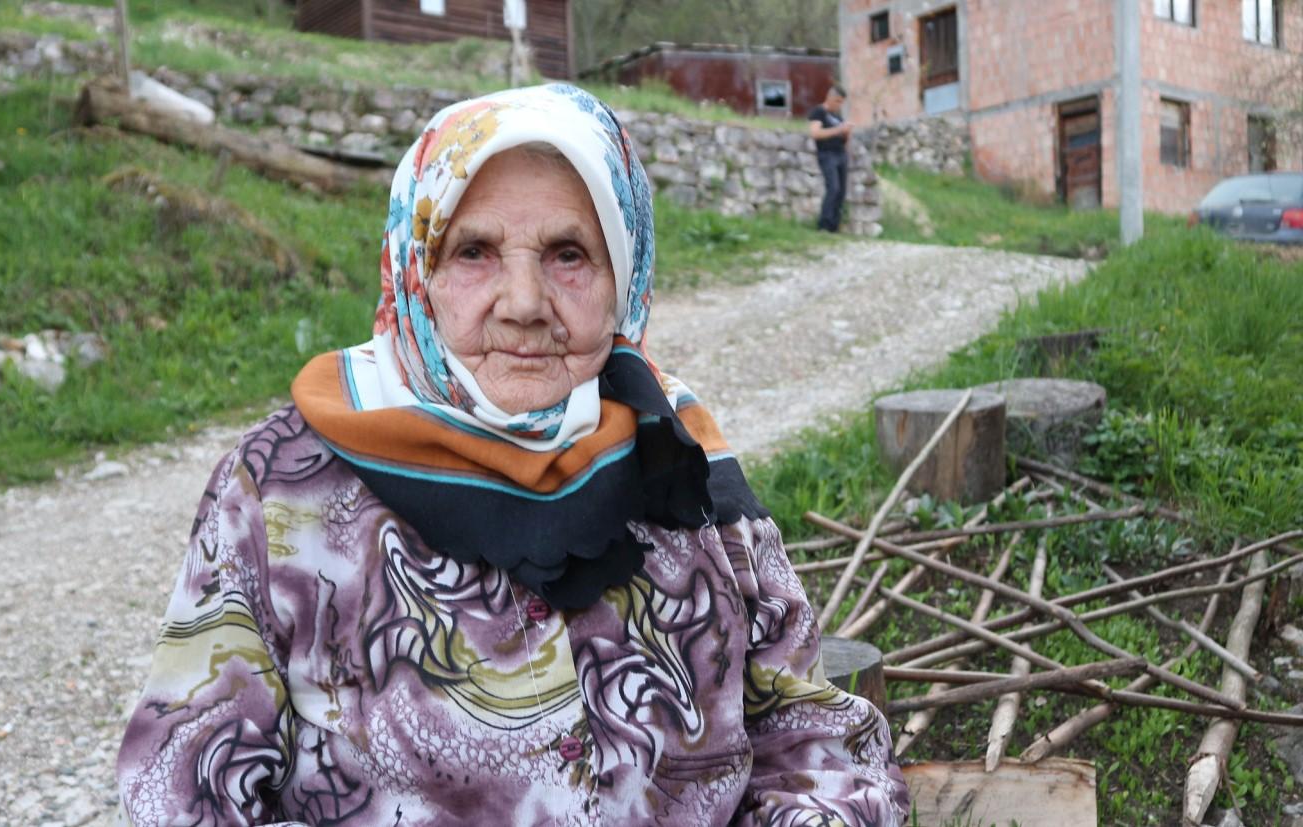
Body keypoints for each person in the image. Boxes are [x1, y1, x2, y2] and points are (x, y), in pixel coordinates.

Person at [116, 83, 908, 826]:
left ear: (624, 275)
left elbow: (813, 744)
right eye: (475, 253)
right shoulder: (278, 491)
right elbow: (179, 791)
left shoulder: (677, 450)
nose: (526, 304)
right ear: (416, 271)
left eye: (568, 254)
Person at [808, 86, 852, 233]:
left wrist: (846, 133)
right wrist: (838, 130)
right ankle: (824, 226)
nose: (839, 105)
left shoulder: (838, 117)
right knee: (833, 188)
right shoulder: (819, 112)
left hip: (841, 154)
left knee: (841, 192)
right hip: (827, 155)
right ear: (830, 97)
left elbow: (843, 139)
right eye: (837, 101)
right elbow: (815, 133)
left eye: (841, 102)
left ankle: (834, 227)